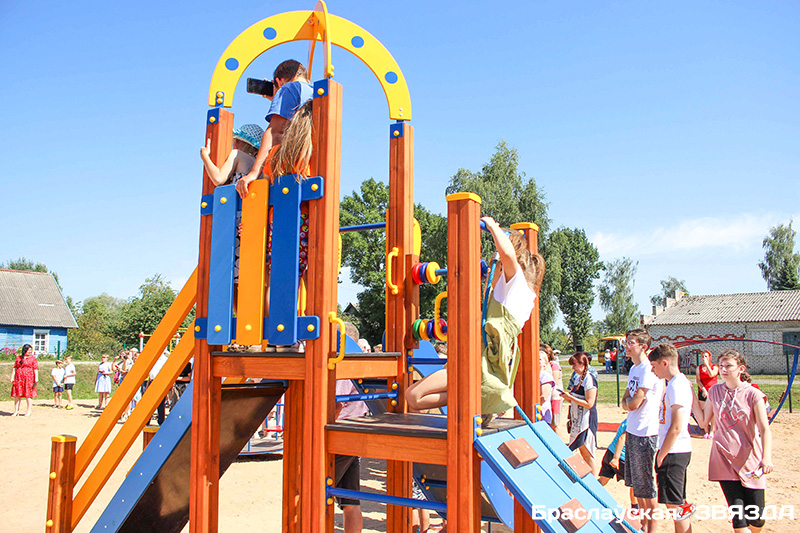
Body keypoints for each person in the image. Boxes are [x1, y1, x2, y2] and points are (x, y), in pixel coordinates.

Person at [406, 217, 545, 421]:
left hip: (477, 364)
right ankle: (479, 401)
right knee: (415, 398)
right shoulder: (523, 297)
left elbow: (507, 254)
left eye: (493, 266)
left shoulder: (516, 285)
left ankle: (476, 398)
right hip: (485, 362)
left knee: (413, 396)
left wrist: (492, 226)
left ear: (503, 267)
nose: (489, 271)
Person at [691, 349, 773, 533]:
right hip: (723, 458)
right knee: (739, 516)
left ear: (741, 369)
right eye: (721, 366)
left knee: (757, 518)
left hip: (749, 459)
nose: (724, 370)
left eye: (729, 366)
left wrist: (766, 458)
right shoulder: (715, 391)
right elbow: (703, 422)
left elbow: (764, 429)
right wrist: (691, 396)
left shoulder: (753, 394)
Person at [237, 59, 313, 197]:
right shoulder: (314, 92)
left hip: (291, 169)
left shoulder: (288, 88)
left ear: (279, 81)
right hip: (310, 166)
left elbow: (275, 132)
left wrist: (254, 172)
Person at [649, 343, 696, 530]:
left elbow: (676, 426)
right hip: (675, 450)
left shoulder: (677, 386)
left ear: (665, 363)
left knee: (675, 507)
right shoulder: (676, 384)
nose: (652, 371)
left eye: (654, 366)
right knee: (677, 504)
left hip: (674, 451)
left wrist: (662, 454)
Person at [621, 328, 662, 533]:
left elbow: (634, 403)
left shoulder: (648, 369)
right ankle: (644, 525)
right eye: (626, 342)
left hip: (646, 432)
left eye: (631, 343)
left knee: (647, 486)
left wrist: (629, 402)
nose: (626, 346)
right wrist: (629, 402)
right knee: (638, 487)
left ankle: (652, 528)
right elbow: (625, 399)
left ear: (643, 346)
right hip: (633, 430)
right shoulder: (633, 369)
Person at [334, 378, 368, 533]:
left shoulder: (343, 372)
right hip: (356, 427)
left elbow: (336, 405)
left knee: (316, 490)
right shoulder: (358, 373)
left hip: (341, 431)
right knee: (350, 501)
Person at [560, 352, 598, 474]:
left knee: (588, 452)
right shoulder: (578, 378)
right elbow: (574, 399)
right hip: (577, 418)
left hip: (587, 419)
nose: (573, 368)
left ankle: (593, 479)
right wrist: (567, 397)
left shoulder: (589, 379)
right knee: (581, 449)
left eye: (575, 365)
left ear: (582, 364)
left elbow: (589, 403)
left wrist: (571, 398)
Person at [598, 418, 636, 514]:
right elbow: (622, 438)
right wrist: (616, 458)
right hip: (621, 457)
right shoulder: (634, 421)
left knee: (604, 478)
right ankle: (635, 508)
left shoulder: (629, 418)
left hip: (610, 452)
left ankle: (588, 493)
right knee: (635, 484)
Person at [695, 350, 718, 439]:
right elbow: (698, 380)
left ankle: (712, 431)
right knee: (704, 411)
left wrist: (707, 365)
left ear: (709, 357)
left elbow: (712, 374)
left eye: (706, 356)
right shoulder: (699, 368)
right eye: (703, 356)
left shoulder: (714, 367)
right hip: (703, 391)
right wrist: (703, 390)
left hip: (712, 390)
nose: (704, 358)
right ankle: (706, 430)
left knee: (712, 412)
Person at [10, 344, 38, 416]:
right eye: (28, 350)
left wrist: (36, 378)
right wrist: (12, 377)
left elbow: (35, 368)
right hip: (19, 378)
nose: (30, 352)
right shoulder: (18, 358)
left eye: (30, 350)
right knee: (17, 394)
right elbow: (15, 368)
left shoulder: (33, 358)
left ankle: (28, 411)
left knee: (28, 394)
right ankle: (16, 410)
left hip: (29, 378)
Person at [542, 344, 563, 431]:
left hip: (555, 397)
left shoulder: (553, 365)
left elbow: (554, 383)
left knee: (554, 424)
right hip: (547, 397)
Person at [539, 349, 556, 425]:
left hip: (542, 413)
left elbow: (543, 397)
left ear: (545, 363)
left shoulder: (546, 376)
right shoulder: (533, 376)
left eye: (539, 359)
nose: (537, 361)